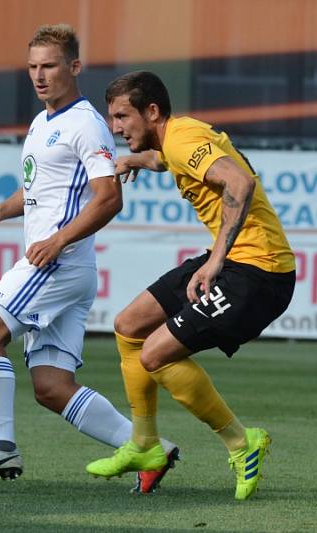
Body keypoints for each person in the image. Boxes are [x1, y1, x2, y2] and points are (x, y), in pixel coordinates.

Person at [0, 27, 178, 492]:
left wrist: (57, 242)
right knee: (51, 387)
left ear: (73, 67)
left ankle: (1, 449)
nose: (39, 75)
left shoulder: (85, 123)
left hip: (56, 263)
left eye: (49, 66)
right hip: (69, 267)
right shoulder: (42, 122)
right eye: (32, 67)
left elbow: (108, 197)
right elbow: (38, 191)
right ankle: (153, 447)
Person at [85, 71, 296, 500]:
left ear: (152, 111)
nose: (116, 127)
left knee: (154, 354)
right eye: (112, 118)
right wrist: (134, 160)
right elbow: (167, 160)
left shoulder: (180, 139)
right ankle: (145, 445)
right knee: (129, 325)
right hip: (236, 260)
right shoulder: (177, 137)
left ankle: (242, 443)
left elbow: (240, 182)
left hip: (259, 273)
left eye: (122, 116)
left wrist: (215, 262)